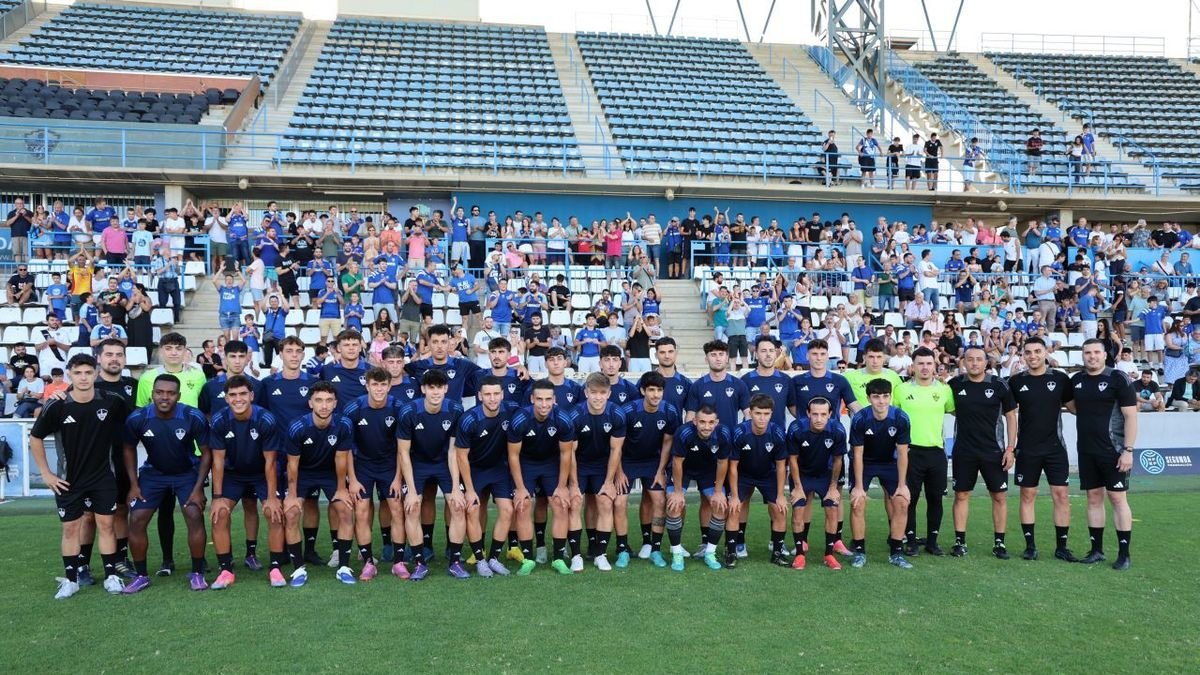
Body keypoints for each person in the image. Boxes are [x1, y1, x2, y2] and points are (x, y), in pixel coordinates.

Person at [30, 354, 130, 598]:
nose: (83, 377)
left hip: (103, 477)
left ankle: (111, 577)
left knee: (106, 525)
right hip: (68, 480)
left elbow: (132, 424)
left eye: (88, 372)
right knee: (70, 529)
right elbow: (35, 438)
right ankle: (71, 580)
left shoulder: (111, 401)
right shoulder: (58, 404)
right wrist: (47, 474)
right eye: (78, 373)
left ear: (95, 374)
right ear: (69, 375)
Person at [121, 374, 212, 593]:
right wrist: (133, 484)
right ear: (152, 394)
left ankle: (197, 573)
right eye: (159, 392)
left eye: (170, 393)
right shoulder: (138, 418)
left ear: (178, 396)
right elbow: (128, 448)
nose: (164, 397)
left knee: (193, 515)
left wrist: (199, 487)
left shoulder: (193, 416)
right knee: (137, 518)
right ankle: (141, 576)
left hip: (186, 473)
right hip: (154, 474)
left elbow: (207, 453)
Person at [207, 375, 284, 589]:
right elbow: (218, 461)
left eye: (242, 394)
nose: (238, 399)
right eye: (233, 395)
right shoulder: (220, 420)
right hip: (234, 474)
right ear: (226, 398)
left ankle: (275, 568)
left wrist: (271, 497)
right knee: (219, 514)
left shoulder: (265, 419)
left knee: (274, 513)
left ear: (251, 396)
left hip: (261, 473)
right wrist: (217, 497)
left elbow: (270, 462)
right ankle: (226, 570)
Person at [1066, 339, 1138, 570]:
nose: (1092, 356)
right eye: (1087, 352)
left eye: (1096, 352)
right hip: (1087, 450)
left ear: (1105, 355)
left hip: (1114, 451)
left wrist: (1127, 450)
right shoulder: (1077, 380)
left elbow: (1131, 417)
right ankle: (1097, 550)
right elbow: (1073, 407)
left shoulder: (1117, 378)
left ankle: (1124, 554)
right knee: (1093, 498)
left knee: (1117, 498)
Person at [1008, 337, 1080, 562]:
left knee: (1061, 495)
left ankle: (1062, 547)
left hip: (1055, 448)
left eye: (1037, 351)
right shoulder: (1016, 382)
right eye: (1028, 352)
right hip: (1027, 449)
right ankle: (1030, 546)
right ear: (1023, 355)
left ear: (1046, 352)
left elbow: (1075, 408)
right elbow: (1008, 414)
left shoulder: (1060, 378)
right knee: (1027, 495)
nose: (1033, 356)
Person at [396, 369, 468, 580]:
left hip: (444, 463)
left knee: (457, 506)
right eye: (431, 388)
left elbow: (454, 451)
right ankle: (419, 562)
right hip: (417, 464)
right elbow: (403, 452)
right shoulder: (409, 411)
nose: (435, 392)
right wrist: (409, 490)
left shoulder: (455, 409)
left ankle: (455, 561)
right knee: (412, 508)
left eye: (440, 387)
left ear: (446, 389)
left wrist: (456, 487)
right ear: (423, 389)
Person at [947, 347, 1018, 559]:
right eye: (970, 360)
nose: (975, 363)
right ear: (964, 362)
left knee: (999, 496)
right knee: (961, 495)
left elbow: (1011, 417)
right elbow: (947, 408)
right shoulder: (955, 385)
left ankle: (1000, 543)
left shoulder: (999, 385)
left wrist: (1010, 448)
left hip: (993, 451)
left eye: (979, 360)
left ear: (986, 363)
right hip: (964, 450)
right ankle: (960, 542)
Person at [283, 382, 356, 585]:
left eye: (328, 400)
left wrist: (342, 489)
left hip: (330, 473)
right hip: (303, 474)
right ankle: (298, 569)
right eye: (319, 400)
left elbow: (341, 459)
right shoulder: (297, 427)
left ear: (335, 404)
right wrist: (291, 495)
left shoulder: (344, 424)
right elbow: (292, 465)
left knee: (346, 510)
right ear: (310, 403)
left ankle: (343, 566)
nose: (324, 405)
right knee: (291, 513)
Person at [507, 380, 578, 575]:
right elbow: (513, 455)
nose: (543, 404)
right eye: (539, 399)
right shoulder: (519, 419)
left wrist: (563, 486)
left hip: (551, 464)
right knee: (522, 506)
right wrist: (520, 488)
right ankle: (528, 559)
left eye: (548, 399)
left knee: (561, 504)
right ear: (532, 399)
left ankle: (557, 558)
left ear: (555, 400)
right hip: (526, 464)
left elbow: (566, 454)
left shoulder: (563, 419)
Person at [455, 376, 521, 577]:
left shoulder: (510, 412)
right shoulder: (469, 419)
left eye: (496, 394)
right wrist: (469, 489)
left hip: (499, 469)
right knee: (473, 510)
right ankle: (480, 560)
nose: (492, 398)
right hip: (475, 470)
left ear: (502, 394)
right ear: (479, 396)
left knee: (508, 511)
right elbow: (461, 456)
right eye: (487, 394)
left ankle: (493, 558)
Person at [848, 378, 913, 569]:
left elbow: (902, 453)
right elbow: (857, 454)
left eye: (885, 396)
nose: (881, 401)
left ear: (890, 397)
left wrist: (902, 485)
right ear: (869, 398)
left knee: (901, 502)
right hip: (865, 463)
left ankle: (896, 553)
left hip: (890, 463)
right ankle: (859, 552)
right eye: (876, 397)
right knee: (858, 503)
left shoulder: (901, 418)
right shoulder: (860, 418)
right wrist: (859, 487)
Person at [898, 346, 955, 557]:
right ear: (912, 366)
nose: (924, 367)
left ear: (935, 366)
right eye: (920, 363)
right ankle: (911, 541)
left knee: (935, 498)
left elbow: (954, 410)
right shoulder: (902, 390)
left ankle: (932, 541)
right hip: (911, 452)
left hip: (936, 452)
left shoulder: (944, 390)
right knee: (909, 499)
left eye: (929, 363)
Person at [570, 372, 628, 571]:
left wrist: (609, 481)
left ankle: (600, 554)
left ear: (609, 394)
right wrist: (573, 484)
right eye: (593, 392)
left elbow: (616, 450)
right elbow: (569, 452)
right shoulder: (575, 415)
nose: (597, 397)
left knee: (605, 501)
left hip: (602, 465)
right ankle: (576, 555)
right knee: (575, 502)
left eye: (602, 393)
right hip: (578, 464)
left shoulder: (617, 414)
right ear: (586, 392)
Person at [665, 405, 731, 572]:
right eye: (702, 422)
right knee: (674, 504)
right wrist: (678, 492)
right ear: (694, 421)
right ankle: (677, 552)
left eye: (710, 422)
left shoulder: (723, 433)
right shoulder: (684, 432)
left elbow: (723, 462)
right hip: (684, 470)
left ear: (716, 422)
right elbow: (677, 462)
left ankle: (709, 552)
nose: (706, 426)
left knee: (720, 505)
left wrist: (718, 492)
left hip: (708, 473)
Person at [726, 395, 787, 568]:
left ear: (771, 414)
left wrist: (781, 495)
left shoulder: (777, 433)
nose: (762, 417)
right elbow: (732, 467)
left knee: (780, 510)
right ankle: (731, 551)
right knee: (734, 508)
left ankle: (777, 552)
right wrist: (735, 496)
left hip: (768, 475)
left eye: (766, 414)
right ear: (750, 413)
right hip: (744, 474)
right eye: (758, 413)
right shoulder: (740, 432)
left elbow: (782, 466)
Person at [786, 397, 846, 571]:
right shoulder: (796, 429)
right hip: (802, 475)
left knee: (832, 509)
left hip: (825, 475)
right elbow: (793, 460)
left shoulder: (837, 430)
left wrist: (833, 487)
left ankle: (829, 554)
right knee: (798, 509)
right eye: (815, 414)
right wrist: (797, 487)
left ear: (830, 414)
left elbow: (837, 460)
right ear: (808, 414)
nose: (819, 418)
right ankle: (799, 553)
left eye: (823, 414)